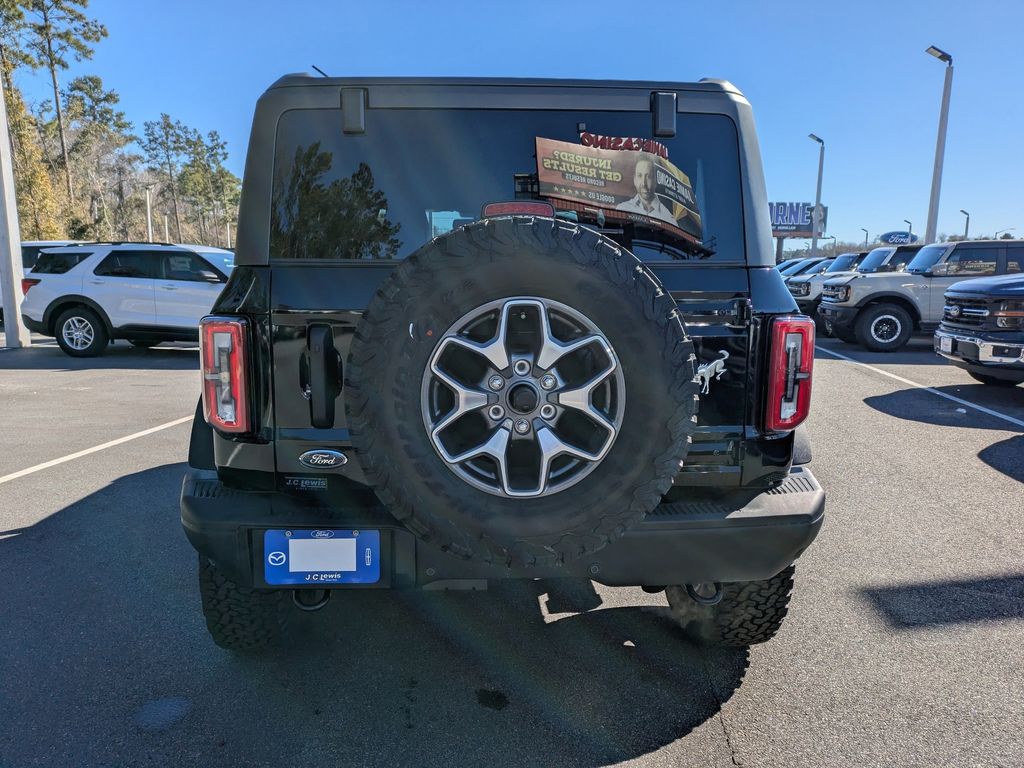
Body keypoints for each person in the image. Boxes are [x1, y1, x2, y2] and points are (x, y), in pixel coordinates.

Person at [615, 154, 676, 224]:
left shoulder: (669, 219)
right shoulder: (622, 208)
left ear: (655, 180)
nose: (644, 184)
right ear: (634, 180)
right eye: (639, 176)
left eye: (648, 176)